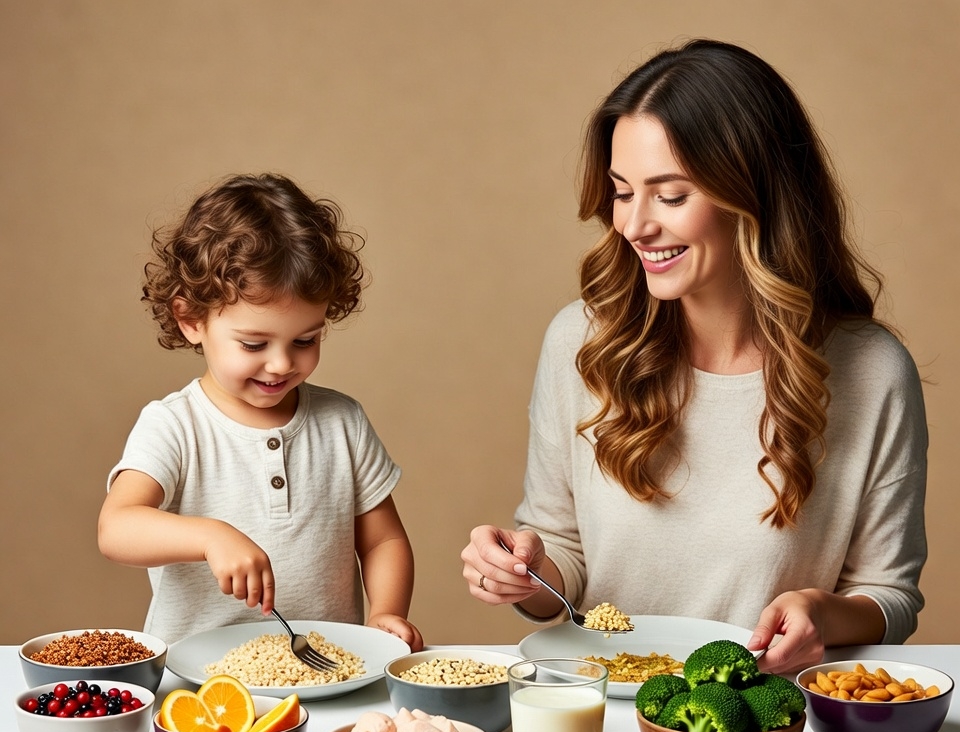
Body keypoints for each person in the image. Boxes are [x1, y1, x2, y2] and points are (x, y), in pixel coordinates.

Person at [461, 40, 926, 675]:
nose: (634, 225)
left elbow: (889, 595)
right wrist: (526, 572)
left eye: (671, 196)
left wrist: (821, 612)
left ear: (755, 197)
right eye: (623, 192)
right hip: (602, 716)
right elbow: (564, 562)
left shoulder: (872, 371)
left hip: (765, 720)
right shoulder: (581, 343)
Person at [99, 173, 423, 650]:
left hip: (326, 674)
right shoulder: (175, 425)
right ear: (191, 320)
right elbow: (116, 527)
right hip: (201, 691)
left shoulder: (343, 422)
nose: (281, 363)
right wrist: (211, 536)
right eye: (254, 343)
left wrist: (386, 612)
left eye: (305, 340)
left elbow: (382, 542)